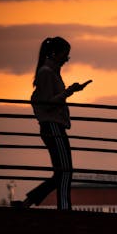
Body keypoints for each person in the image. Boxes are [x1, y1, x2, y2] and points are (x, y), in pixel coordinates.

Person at [13, 36, 92, 211]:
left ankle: (26, 204)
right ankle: (64, 208)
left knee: (61, 172)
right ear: (55, 54)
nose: (66, 60)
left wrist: (69, 91)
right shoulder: (47, 73)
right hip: (53, 126)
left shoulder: (48, 72)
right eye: (65, 56)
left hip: (52, 126)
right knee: (65, 171)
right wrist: (69, 92)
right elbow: (48, 103)